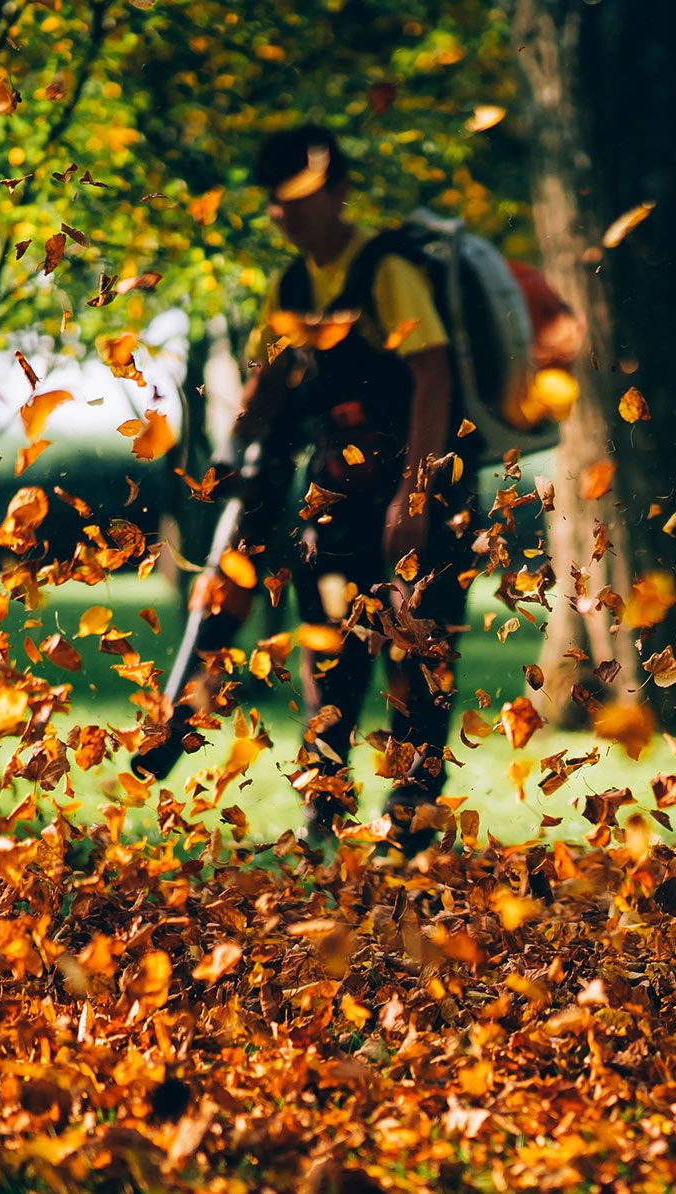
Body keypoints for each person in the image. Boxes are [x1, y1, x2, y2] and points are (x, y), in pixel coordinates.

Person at [135, 124, 477, 855]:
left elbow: (434, 378)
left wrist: (414, 500)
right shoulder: (291, 285)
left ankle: (412, 820)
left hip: (420, 493)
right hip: (339, 497)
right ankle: (325, 807)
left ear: (338, 191)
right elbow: (268, 382)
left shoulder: (385, 270)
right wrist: (231, 452)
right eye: (277, 201)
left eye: (300, 196)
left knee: (415, 653)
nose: (287, 213)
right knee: (331, 654)